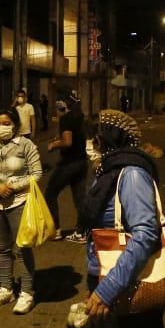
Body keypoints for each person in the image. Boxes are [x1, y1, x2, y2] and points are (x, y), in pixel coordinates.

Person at [80, 110, 165, 328]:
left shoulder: (131, 174)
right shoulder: (108, 171)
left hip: (127, 285)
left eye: (95, 138)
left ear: (108, 140)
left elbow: (145, 234)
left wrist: (107, 290)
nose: (91, 145)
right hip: (108, 280)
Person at [0, 108, 43, 314]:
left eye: (6, 123)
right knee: (3, 248)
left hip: (19, 203)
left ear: (15, 125)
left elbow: (37, 174)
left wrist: (13, 187)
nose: (1, 127)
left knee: (22, 249)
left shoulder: (26, 145)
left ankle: (27, 292)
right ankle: (6, 289)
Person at [46, 92, 91, 243]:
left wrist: (54, 144)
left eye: (57, 102)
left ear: (63, 104)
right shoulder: (79, 117)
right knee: (80, 198)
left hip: (69, 164)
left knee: (50, 192)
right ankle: (82, 232)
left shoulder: (66, 118)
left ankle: (55, 230)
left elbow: (67, 142)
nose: (56, 106)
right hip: (81, 162)